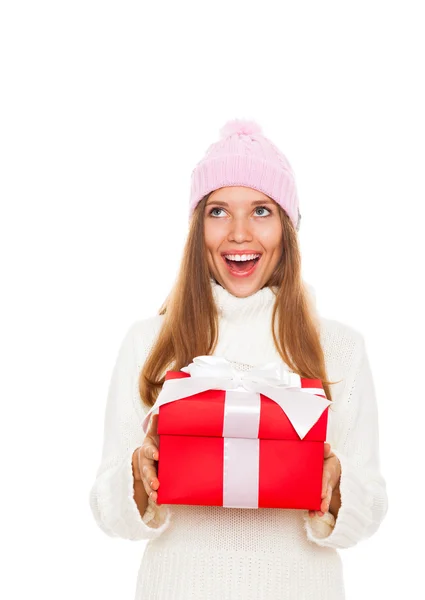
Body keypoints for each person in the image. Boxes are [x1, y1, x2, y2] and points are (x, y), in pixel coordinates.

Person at [89, 118, 389, 599]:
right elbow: (109, 510)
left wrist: (335, 489)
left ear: (287, 227)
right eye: (219, 211)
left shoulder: (339, 349)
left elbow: (370, 505)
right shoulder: (149, 343)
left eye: (262, 211)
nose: (240, 233)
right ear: (197, 226)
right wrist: (139, 474)